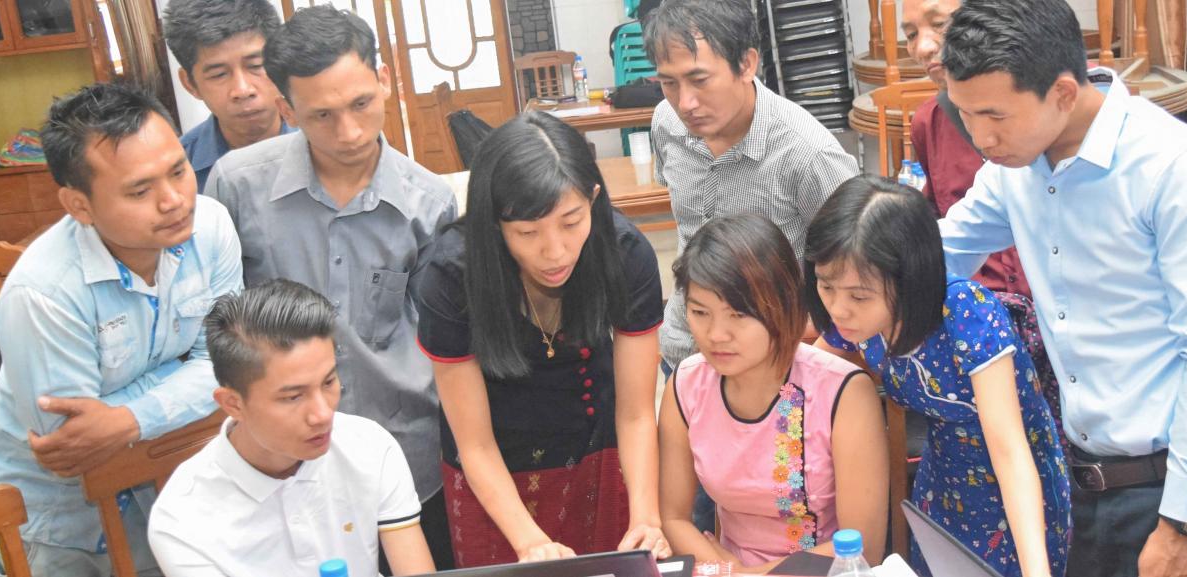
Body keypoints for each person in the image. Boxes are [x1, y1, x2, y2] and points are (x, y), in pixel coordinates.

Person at [937, 1, 1187, 575]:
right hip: (1088, 486)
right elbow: (943, 252)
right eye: (964, 113)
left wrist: (1182, 524)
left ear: (1064, 93)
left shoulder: (1172, 167)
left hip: (1185, 495)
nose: (979, 137)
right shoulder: (1014, 169)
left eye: (994, 115)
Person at [203, 6, 457, 570]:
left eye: (361, 104)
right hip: (277, 464)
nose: (349, 133)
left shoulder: (429, 203)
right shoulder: (237, 187)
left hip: (403, 457)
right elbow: (215, 326)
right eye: (321, 116)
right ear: (286, 108)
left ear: (384, 80)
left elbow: (441, 341)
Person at [0, 82, 243, 576]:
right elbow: (73, 440)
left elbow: (229, 362)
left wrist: (127, 419)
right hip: (55, 522)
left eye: (179, 171)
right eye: (140, 190)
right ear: (79, 206)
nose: (175, 200)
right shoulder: (44, 293)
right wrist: (184, 378)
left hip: (162, 485)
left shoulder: (212, 226)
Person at [413, 112, 668, 567]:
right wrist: (529, 541)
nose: (555, 251)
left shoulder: (624, 253)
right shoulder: (451, 275)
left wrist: (646, 515)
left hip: (595, 450)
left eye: (571, 222)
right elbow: (475, 444)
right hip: (492, 474)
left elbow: (634, 414)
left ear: (593, 199)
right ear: (494, 224)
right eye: (528, 232)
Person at [808, 175, 1070, 577]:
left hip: (1016, 489)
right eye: (827, 287)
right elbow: (811, 373)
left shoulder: (966, 313)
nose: (839, 309)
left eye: (859, 295)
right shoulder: (853, 322)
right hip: (944, 478)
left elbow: (1010, 452)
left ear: (909, 279)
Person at [148, 280, 435, 577]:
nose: (323, 415)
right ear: (233, 404)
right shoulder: (181, 520)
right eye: (293, 397)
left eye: (328, 382)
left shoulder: (370, 446)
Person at [659, 214, 888, 573]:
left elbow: (865, 545)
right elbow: (673, 518)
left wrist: (751, 576)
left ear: (782, 305)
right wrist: (730, 572)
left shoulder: (843, 393)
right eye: (700, 312)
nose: (717, 334)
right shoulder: (686, 385)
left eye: (737, 315)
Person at [642, 0, 859, 374]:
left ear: (746, 64)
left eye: (699, 80)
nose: (685, 102)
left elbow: (860, 276)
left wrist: (806, 359)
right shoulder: (666, 122)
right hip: (683, 353)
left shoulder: (809, 155)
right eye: (668, 83)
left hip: (773, 364)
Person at [900, 0, 1056, 426]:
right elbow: (949, 238)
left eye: (939, 25)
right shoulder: (929, 122)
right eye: (911, 34)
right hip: (978, 328)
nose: (924, 47)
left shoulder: (1052, 100)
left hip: (1054, 325)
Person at [162, 0, 293, 193]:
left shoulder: (329, 142)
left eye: (256, 65)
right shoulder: (175, 172)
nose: (242, 90)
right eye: (219, 74)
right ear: (190, 84)